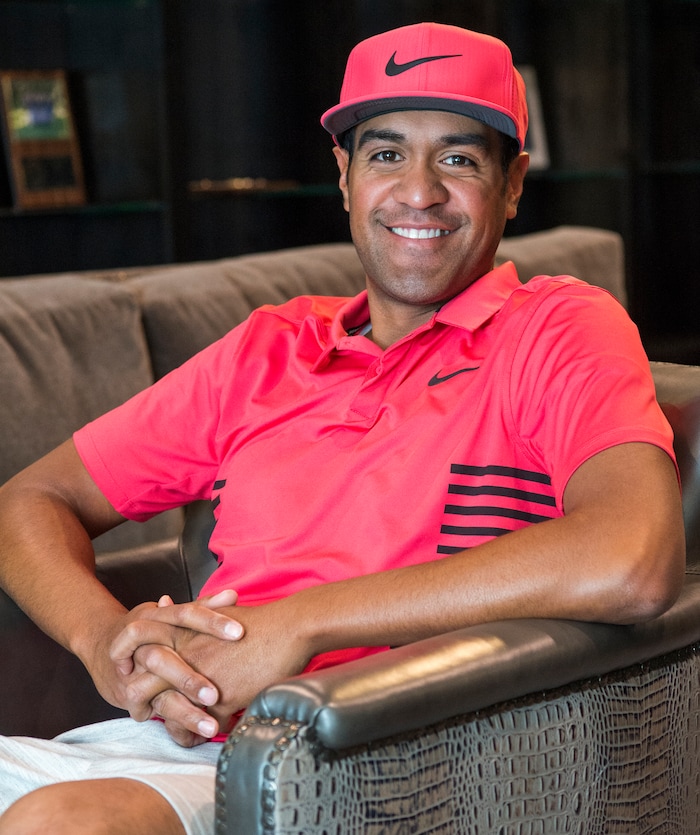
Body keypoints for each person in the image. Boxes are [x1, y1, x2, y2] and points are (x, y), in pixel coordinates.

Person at [0, 21, 685, 835]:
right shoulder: (269, 347)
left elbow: (633, 557)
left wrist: (302, 622)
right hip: (170, 738)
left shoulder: (561, 327)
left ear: (513, 185)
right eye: (386, 153)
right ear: (345, 175)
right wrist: (106, 640)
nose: (419, 190)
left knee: (61, 824)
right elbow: (31, 497)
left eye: (459, 159)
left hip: (385, 761)